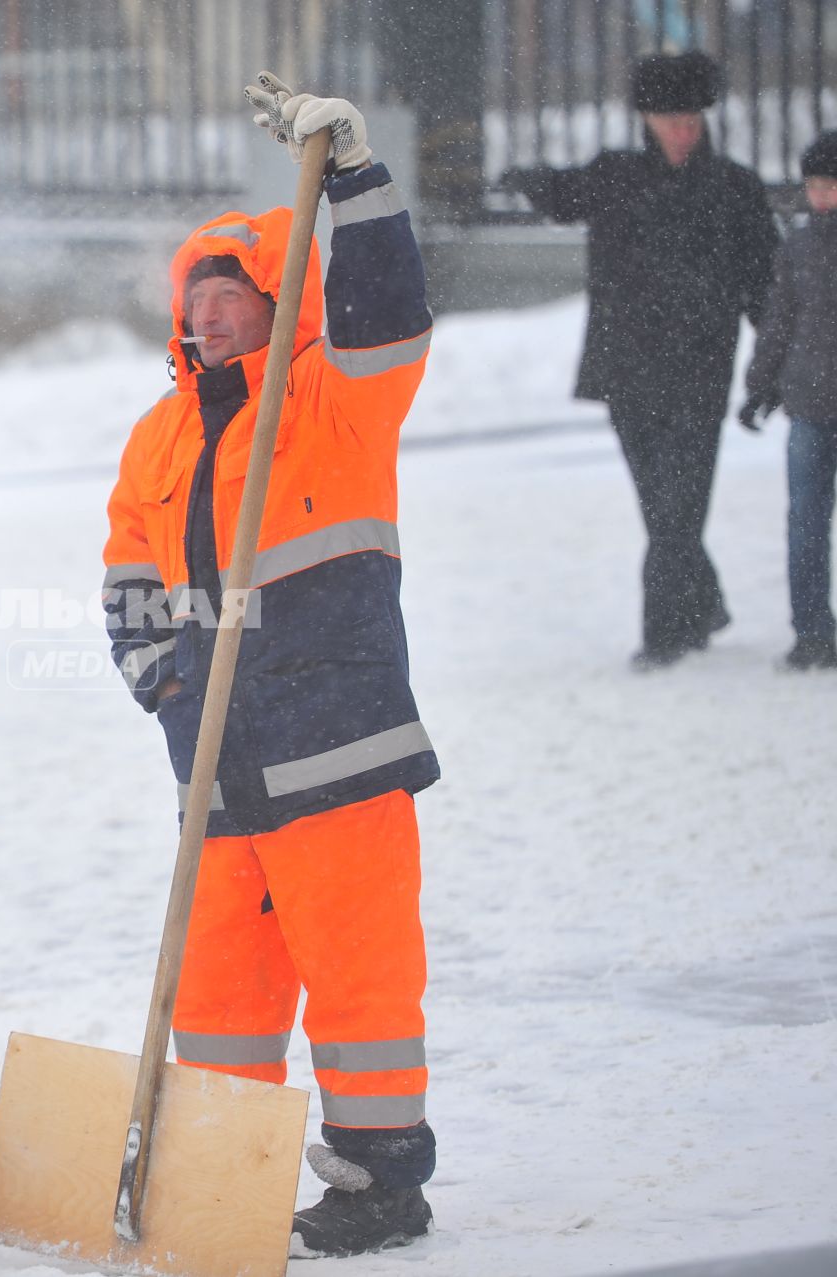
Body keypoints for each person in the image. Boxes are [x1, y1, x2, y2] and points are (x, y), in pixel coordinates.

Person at [103, 74, 438, 1256]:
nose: (207, 314)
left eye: (230, 294)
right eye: (193, 298)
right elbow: (129, 575)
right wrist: (165, 686)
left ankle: (381, 1179)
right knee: (220, 993)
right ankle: (219, 1169)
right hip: (220, 762)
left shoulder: (336, 403)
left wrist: (351, 174)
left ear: (277, 302)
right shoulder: (164, 432)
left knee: (361, 984)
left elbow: (388, 311)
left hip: (338, 746)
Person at [504, 52, 778, 670]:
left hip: (701, 370)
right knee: (663, 504)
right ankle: (703, 605)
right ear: (648, 119)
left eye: (691, 118)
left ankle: (663, 636)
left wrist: (785, 359)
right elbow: (563, 195)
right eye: (669, 118)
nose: (682, 130)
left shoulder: (734, 188)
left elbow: (766, 284)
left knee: (679, 506)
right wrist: (521, 175)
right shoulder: (617, 175)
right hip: (627, 369)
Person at [741, 132, 837, 671]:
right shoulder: (799, 245)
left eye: (831, 186)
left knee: (807, 519)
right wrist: (761, 385)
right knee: (805, 522)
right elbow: (779, 321)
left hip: (814, 396)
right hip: (809, 402)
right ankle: (812, 632)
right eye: (815, 186)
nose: (822, 197)